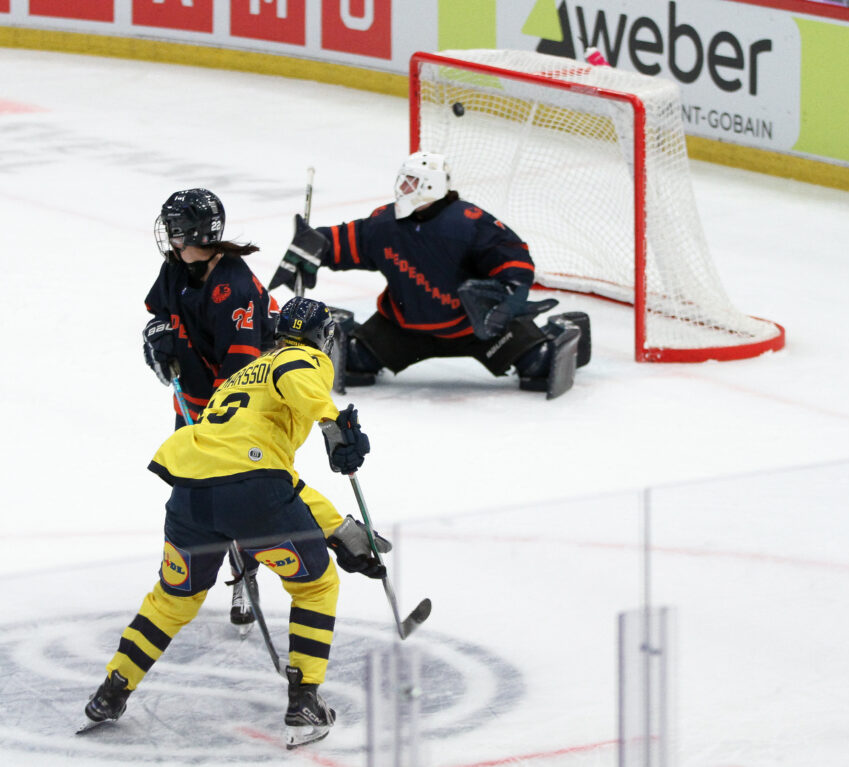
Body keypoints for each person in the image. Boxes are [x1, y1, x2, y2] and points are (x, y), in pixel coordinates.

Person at [84, 297, 384, 750]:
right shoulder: (303, 358)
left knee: (172, 600)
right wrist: (333, 422)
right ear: (324, 337)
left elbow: (275, 475)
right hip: (252, 491)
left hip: (191, 493)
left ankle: (112, 691)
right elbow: (294, 383)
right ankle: (304, 702)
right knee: (315, 585)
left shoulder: (243, 376)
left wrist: (337, 529)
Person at [268, 151, 590, 398]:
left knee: (539, 364)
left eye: (410, 182)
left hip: (477, 328)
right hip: (404, 328)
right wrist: (315, 245)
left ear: (432, 187)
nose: (401, 188)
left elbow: (515, 259)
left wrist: (510, 302)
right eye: (403, 180)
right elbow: (351, 241)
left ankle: (564, 331)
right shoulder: (386, 224)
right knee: (353, 361)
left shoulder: (468, 222)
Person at [141, 188, 280, 629]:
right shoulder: (178, 268)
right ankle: (184, 576)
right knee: (192, 491)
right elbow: (158, 312)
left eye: (175, 229)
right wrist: (158, 334)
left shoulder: (234, 289)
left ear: (194, 233)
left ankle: (246, 572)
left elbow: (240, 378)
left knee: (240, 496)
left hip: (246, 409)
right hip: (197, 399)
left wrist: (213, 431)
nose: (169, 238)